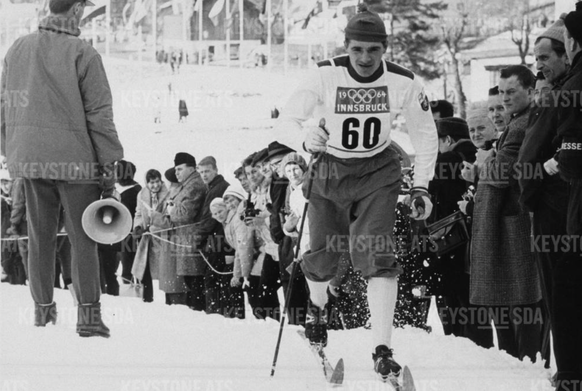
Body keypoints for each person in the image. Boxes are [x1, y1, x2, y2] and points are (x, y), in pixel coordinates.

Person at [276, 7, 437, 380]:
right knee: (326, 254)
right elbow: (286, 118)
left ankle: (383, 349)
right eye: (357, 50)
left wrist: (422, 185)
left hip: (377, 171)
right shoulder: (323, 73)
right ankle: (317, 312)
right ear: (346, 47)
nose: (365, 59)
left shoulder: (404, 82)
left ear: (385, 49)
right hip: (330, 169)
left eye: (373, 50)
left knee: (377, 252)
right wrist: (304, 137)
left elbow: (425, 135)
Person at [1, 0, 124, 338]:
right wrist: (109, 165)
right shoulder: (84, 53)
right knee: (83, 239)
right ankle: (88, 318)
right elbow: (100, 115)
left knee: (39, 238)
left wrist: (12, 152)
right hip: (75, 162)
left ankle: (42, 312)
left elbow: (3, 107)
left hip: (31, 160)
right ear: (74, 12)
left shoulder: (18, 48)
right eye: (82, 8)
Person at [471, 65, 543, 362]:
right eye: (501, 91)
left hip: (513, 223)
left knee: (522, 302)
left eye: (511, 91)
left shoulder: (519, 126)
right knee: (516, 302)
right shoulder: (519, 121)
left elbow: (500, 174)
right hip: (512, 221)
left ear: (529, 89)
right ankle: (524, 362)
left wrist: (484, 162)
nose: (504, 98)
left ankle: (525, 365)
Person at [518, 20, 571, 370]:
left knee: (563, 293)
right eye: (536, 58)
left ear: (568, 54)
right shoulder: (551, 91)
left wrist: (549, 168)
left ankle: (569, 370)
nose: (539, 65)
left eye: (545, 57)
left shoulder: (568, 94)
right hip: (542, 205)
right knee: (553, 294)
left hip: (559, 205)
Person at [551, 6, 582, 389]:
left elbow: (573, 157)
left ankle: (573, 375)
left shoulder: (575, 84)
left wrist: (561, 161)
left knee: (568, 285)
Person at [150, 153, 207, 308]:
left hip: (189, 241)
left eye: (180, 169)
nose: (176, 173)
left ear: (192, 168)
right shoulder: (187, 185)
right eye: (176, 170)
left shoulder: (194, 185)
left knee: (195, 285)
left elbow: (184, 214)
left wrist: (170, 209)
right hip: (183, 242)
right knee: (191, 283)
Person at [132, 169, 170, 303]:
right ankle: (147, 298)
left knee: (165, 267)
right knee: (145, 267)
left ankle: (167, 299)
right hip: (148, 237)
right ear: (147, 183)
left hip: (163, 236)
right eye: (152, 182)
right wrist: (138, 226)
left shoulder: (168, 193)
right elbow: (138, 213)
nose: (155, 185)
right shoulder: (141, 195)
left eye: (157, 181)